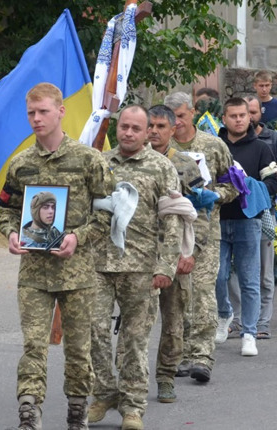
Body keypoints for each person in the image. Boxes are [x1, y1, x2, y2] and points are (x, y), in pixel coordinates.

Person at [0, 83, 113, 430]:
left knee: (78, 348)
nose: (36, 119)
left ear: (60, 111)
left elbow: (108, 213)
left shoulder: (89, 159)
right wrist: (12, 233)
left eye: (43, 111)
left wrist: (78, 236)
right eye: (31, 113)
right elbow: (4, 210)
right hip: (34, 273)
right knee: (34, 345)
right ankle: (29, 411)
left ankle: (77, 412)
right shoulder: (21, 165)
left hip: (77, 273)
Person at [89, 106, 182, 430]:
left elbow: (172, 222)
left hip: (142, 268)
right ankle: (104, 392)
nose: (128, 133)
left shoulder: (161, 167)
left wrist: (166, 266)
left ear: (146, 133)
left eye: (135, 128)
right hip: (99, 264)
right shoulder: (100, 162)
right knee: (94, 332)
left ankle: (132, 407)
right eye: (124, 127)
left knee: (133, 342)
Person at [164, 92, 237, 383]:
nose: (177, 122)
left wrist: (215, 195)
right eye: (171, 117)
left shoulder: (213, 145)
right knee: (177, 296)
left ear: (192, 112)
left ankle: (202, 356)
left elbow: (234, 184)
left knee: (203, 293)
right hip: (169, 234)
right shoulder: (159, 146)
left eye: (181, 115)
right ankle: (179, 354)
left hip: (205, 231)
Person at [146, 104, 203, 402]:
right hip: (137, 253)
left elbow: (199, 213)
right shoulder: (128, 160)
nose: (153, 131)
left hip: (175, 252)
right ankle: (129, 379)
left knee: (174, 319)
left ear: (172, 129)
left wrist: (190, 252)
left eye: (160, 126)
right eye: (150, 126)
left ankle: (166, 376)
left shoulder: (186, 165)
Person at [215, 97, 277, 357]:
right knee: (217, 276)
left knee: (250, 280)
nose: (239, 120)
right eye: (233, 116)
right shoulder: (215, 146)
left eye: (243, 115)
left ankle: (249, 333)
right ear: (224, 118)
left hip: (248, 223)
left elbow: (274, 182)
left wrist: (251, 187)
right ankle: (224, 315)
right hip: (217, 221)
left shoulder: (261, 148)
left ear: (249, 117)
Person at [232, 96, 277, 340]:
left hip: (265, 212)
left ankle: (262, 321)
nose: (246, 117)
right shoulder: (226, 141)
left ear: (258, 113)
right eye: (241, 113)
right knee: (232, 272)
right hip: (233, 214)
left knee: (263, 272)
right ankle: (238, 319)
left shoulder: (272, 138)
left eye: (251, 112)